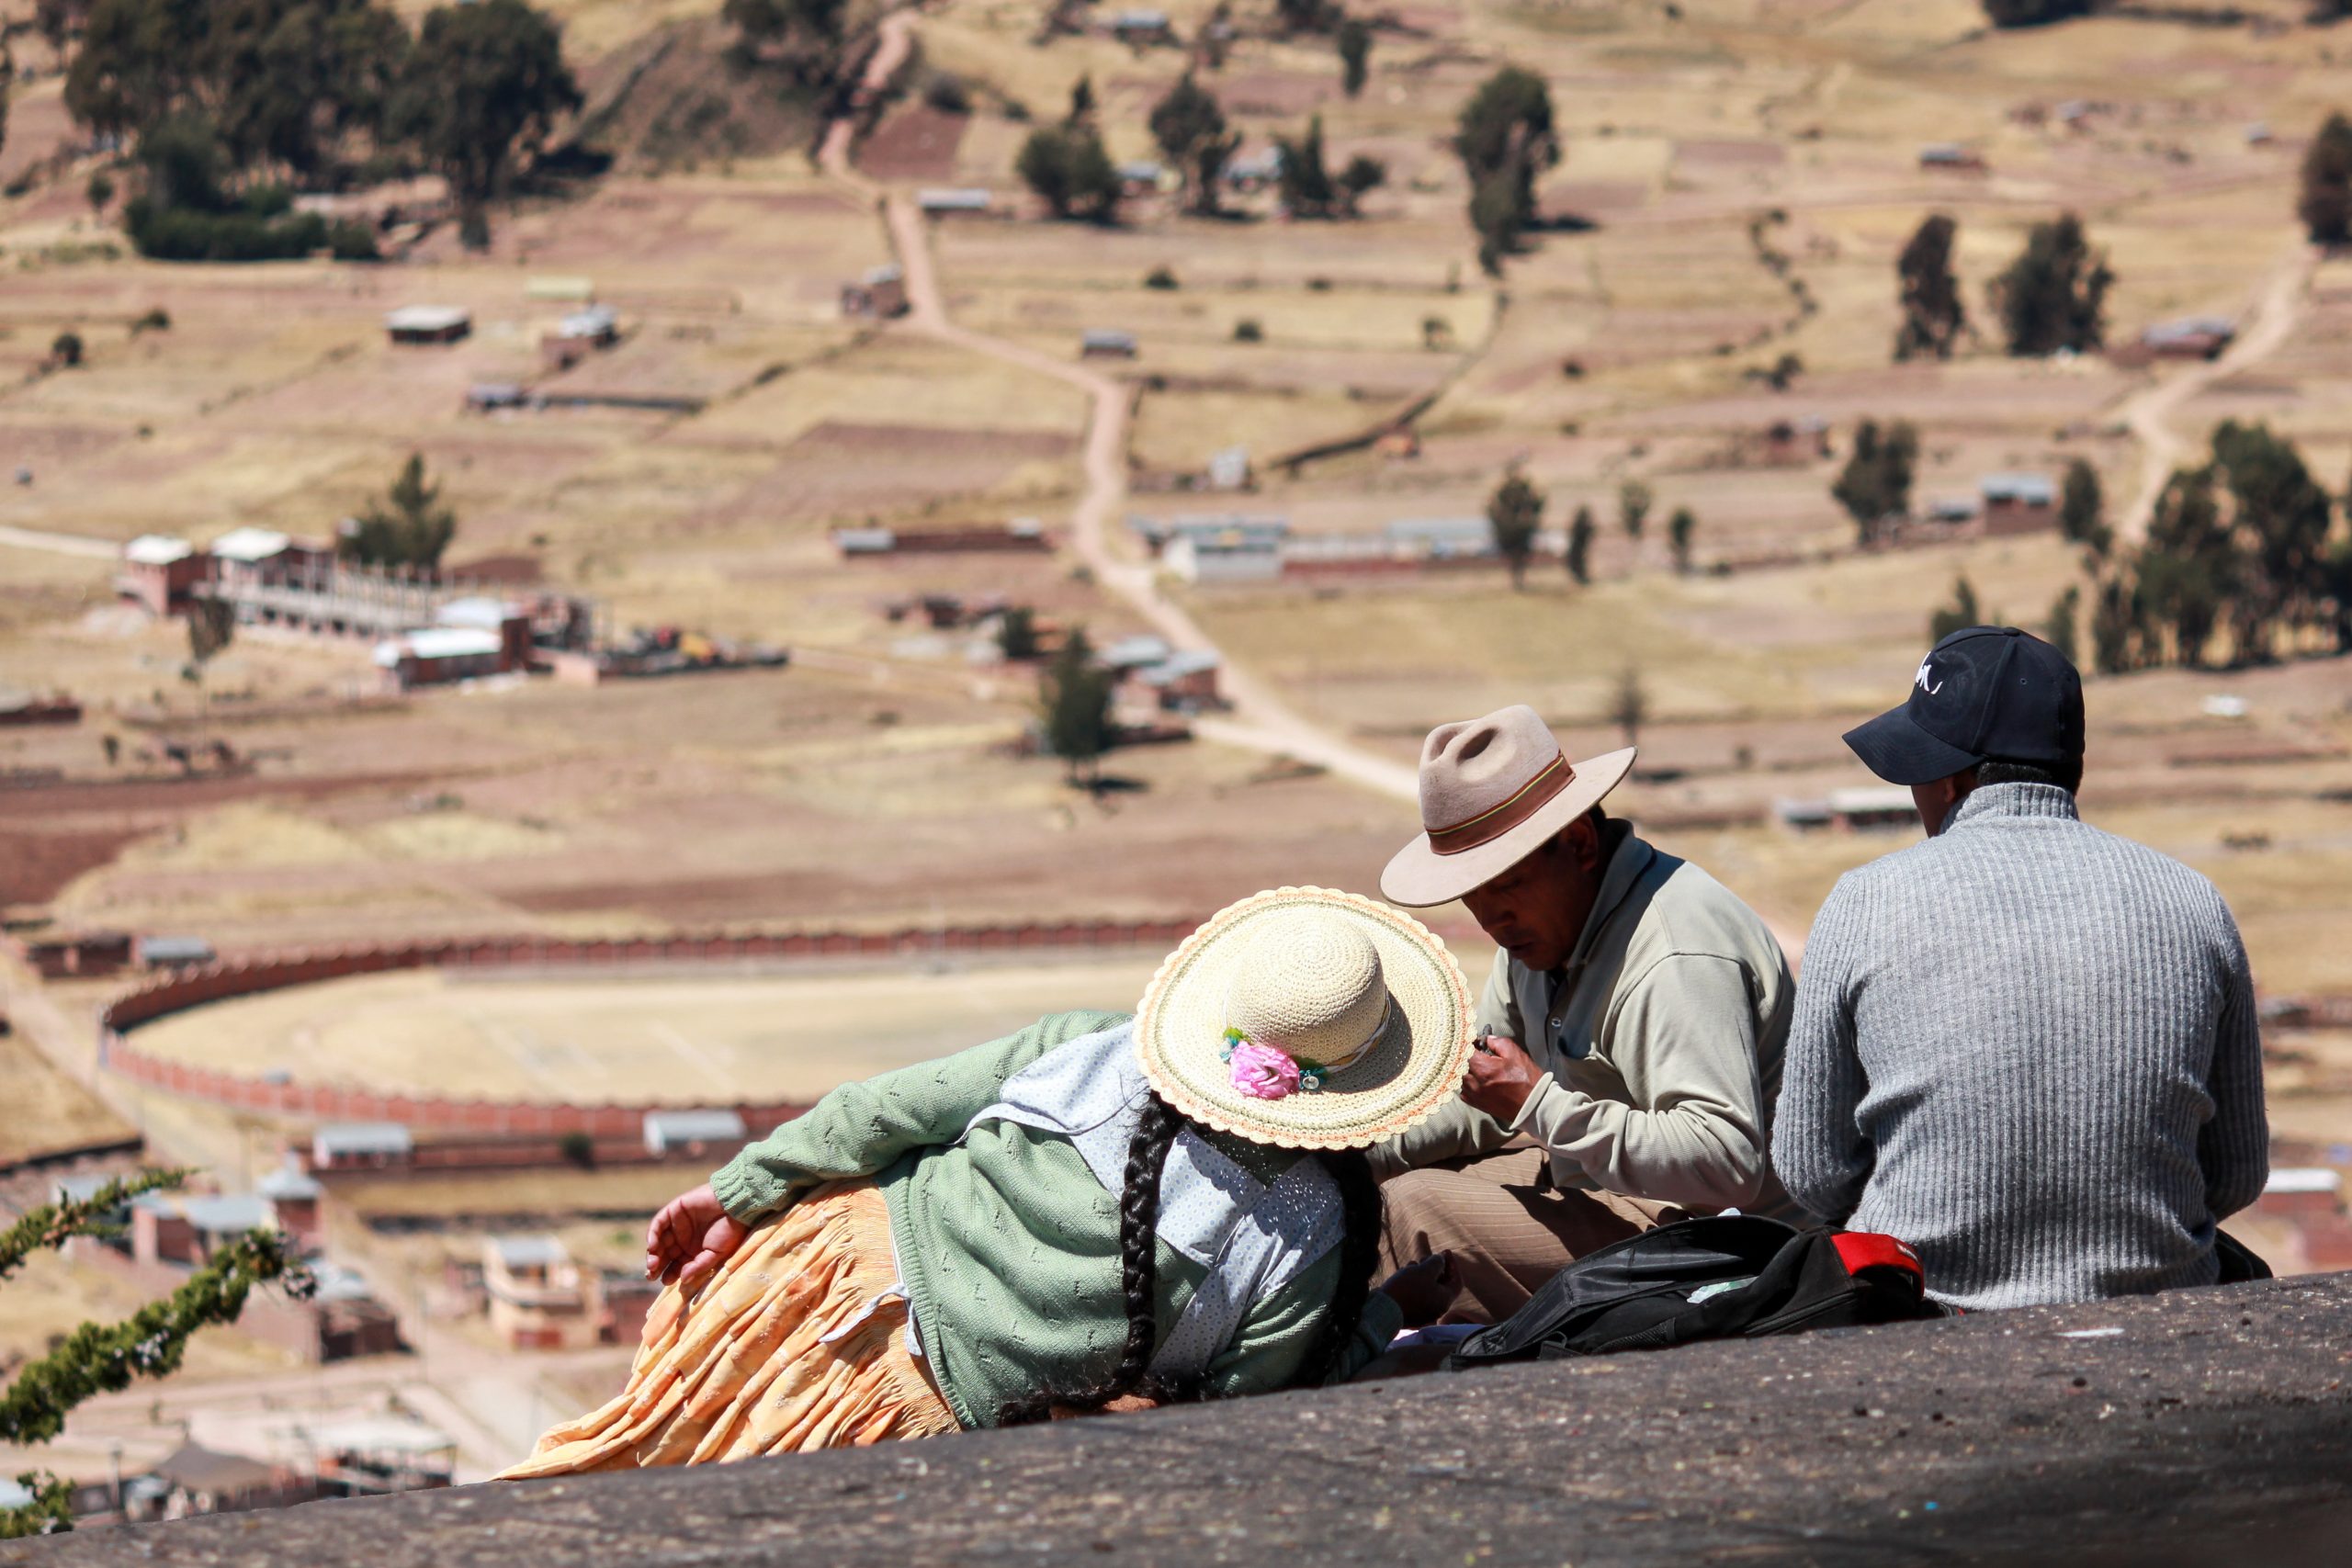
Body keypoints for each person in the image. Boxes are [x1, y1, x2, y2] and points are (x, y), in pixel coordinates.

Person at [501, 886, 1474, 1473]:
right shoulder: (1308, 1236)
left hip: (805, 1283)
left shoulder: (1094, 1043)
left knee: (609, 1475)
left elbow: (885, 1111)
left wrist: (741, 1191)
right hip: (901, 1422)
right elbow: (1246, 1415)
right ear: (1366, 1079)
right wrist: (1387, 1319)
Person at [1773, 626, 2268, 1307]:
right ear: (2074, 769)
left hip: (1925, 1314)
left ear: (1951, 781)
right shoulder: (2194, 901)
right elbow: (2236, 1173)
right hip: (2157, 1316)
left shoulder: (1863, 900)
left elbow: (1813, 1169)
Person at [1372, 705, 1799, 1325]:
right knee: (1386, 1185)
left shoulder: (1673, 951)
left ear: (1576, 843)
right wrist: (1357, 1151)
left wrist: (1540, 1105)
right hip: (1608, 1185)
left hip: (1725, 1240)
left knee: (1414, 1213)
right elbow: (1481, 1093)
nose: (1491, 919)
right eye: (1474, 894)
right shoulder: (1540, 936)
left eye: (1506, 885)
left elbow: (1725, 1160)